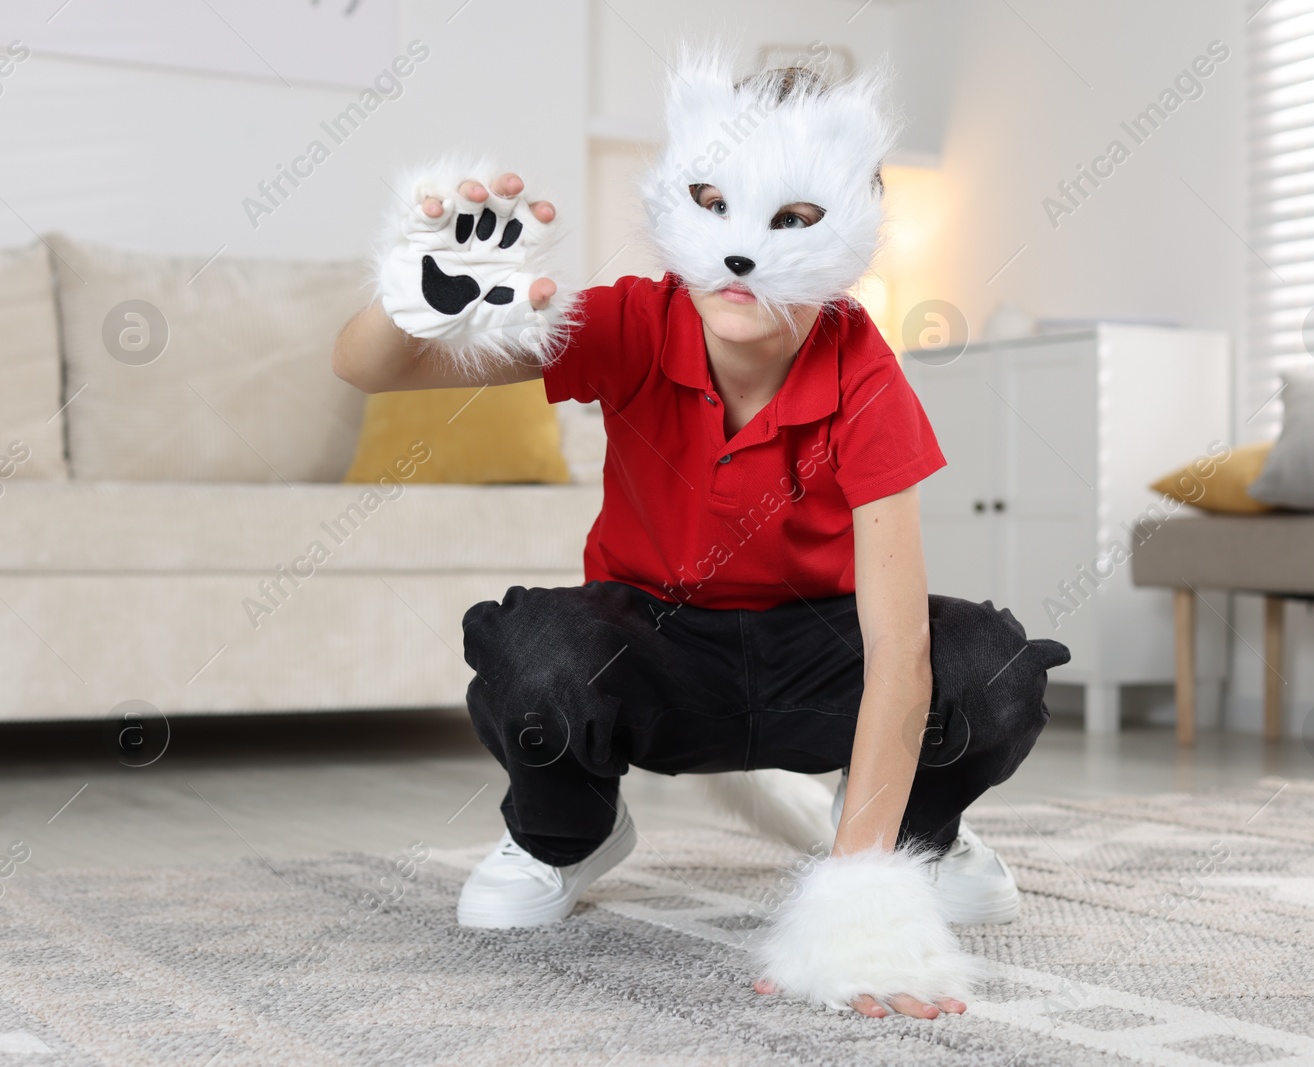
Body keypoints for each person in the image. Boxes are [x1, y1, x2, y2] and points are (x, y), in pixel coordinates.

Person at [333, 41, 1069, 1018]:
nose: (738, 250)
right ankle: (568, 833)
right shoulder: (638, 320)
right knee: (535, 657)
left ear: (845, 226)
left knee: (985, 663)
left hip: (822, 653)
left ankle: (909, 841)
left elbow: (896, 644)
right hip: (654, 649)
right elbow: (373, 370)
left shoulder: (864, 370)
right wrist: (412, 299)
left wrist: (857, 907)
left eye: (788, 217)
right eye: (713, 203)